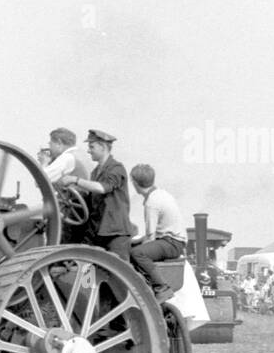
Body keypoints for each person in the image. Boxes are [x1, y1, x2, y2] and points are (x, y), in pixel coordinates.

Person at [59, 129, 135, 258]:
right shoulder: (95, 172)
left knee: (120, 272)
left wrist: (75, 180)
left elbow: (102, 188)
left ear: (103, 147)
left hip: (115, 233)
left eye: (91, 146)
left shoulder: (116, 168)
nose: (88, 150)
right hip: (98, 231)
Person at [127, 164, 187, 303]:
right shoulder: (161, 194)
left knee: (137, 253)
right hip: (174, 241)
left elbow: (151, 237)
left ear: (135, 183)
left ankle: (161, 287)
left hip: (171, 243)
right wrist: (138, 241)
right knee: (137, 249)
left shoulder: (151, 203)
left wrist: (134, 245)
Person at [42, 127, 92, 244]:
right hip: (80, 210)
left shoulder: (67, 157)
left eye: (50, 144)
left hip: (69, 212)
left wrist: (44, 163)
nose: (49, 148)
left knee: (57, 245)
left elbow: (42, 180)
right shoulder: (81, 155)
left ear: (59, 143)